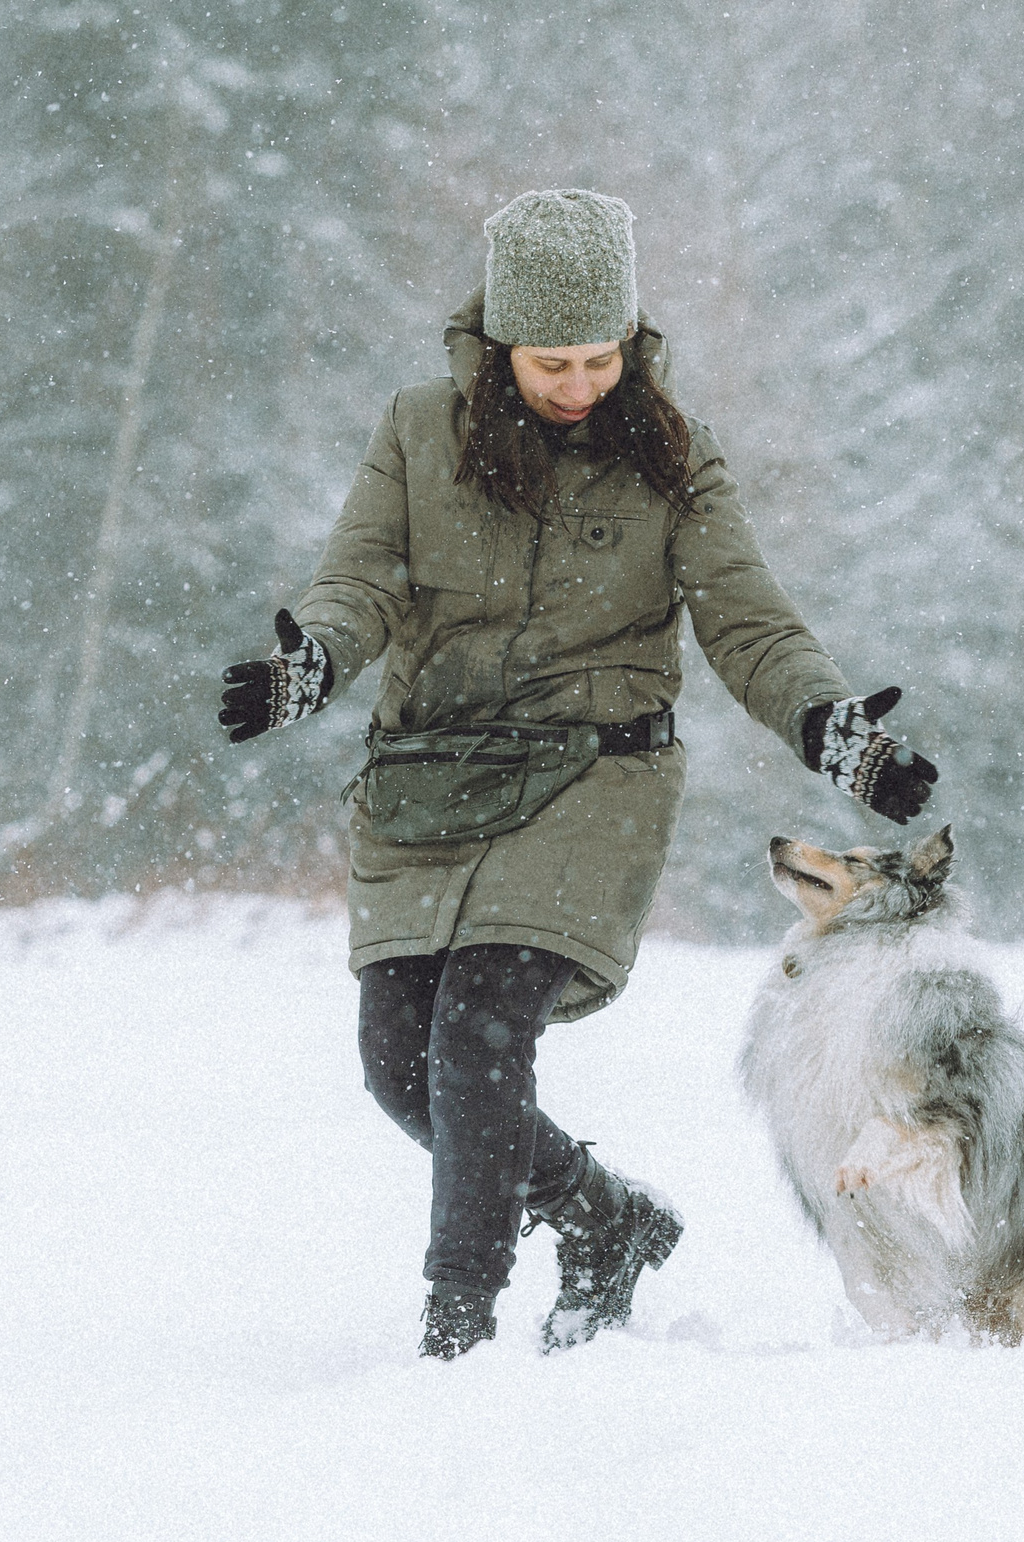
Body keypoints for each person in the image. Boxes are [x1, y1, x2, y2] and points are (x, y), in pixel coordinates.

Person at [219, 189, 938, 1359]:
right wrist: (309, 666)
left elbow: (749, 626)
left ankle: (455, 1332)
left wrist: (830, 726)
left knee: (480, 1034)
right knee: (401, 1068)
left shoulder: (671, 455)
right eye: (550, 360)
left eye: (600, 357)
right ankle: (605, 1221)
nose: (578, 385)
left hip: (591, 780)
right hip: (428, 776)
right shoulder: (416, 433)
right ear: (497, 345)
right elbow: (357, 583)